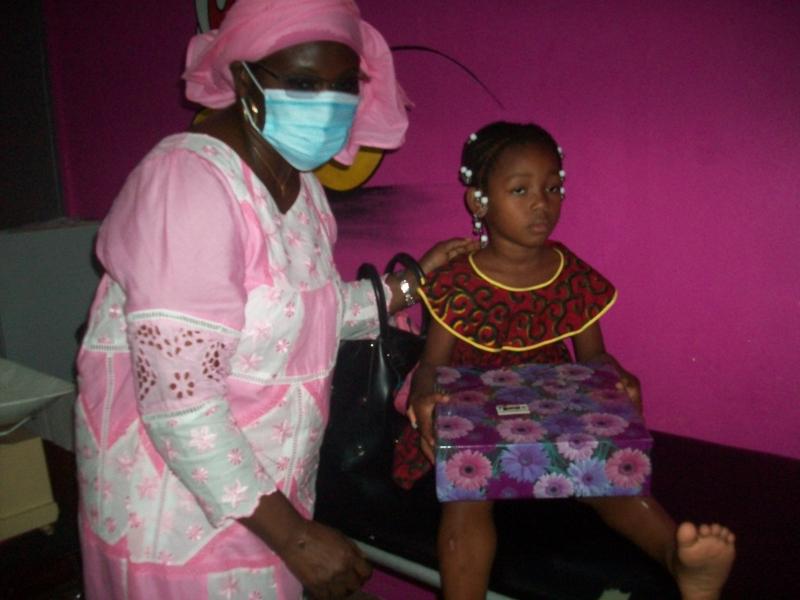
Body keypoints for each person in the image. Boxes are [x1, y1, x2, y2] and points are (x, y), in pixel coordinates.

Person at [74, 1, 475, 598]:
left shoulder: (299, 184)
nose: (329, 103)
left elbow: (304, 312)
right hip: (177, 514)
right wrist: (296, 537)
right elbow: (181, 407)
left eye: (344, 84)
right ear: (245, 81)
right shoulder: (188, 185)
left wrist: (413, 283)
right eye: (305, 83)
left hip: (266, 499)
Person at [398, 121, 736, 600]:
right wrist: (424, 395)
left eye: (553, 188)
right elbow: (433, 362)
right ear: (479, 202)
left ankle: (680, 561)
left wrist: (617, 378)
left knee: (614, 478)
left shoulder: (569, 272)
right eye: (520, 190)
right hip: (475, 413)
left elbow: (592, 355)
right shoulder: (458, 281)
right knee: (467, 498)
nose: (542, 203)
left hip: (557, 408)